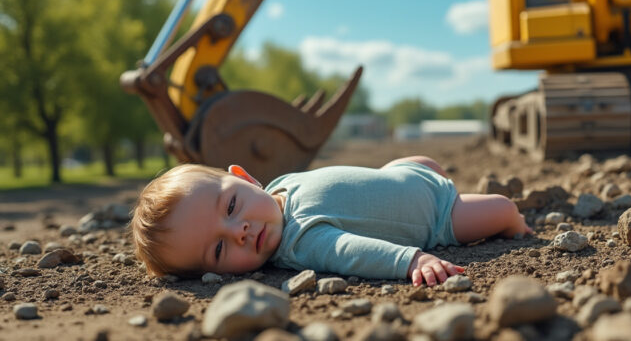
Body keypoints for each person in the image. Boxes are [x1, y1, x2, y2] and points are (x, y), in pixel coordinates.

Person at [131, 156, 532, 287]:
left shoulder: (278, 188)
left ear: (245, 178)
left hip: (401, 173)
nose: (239, 232)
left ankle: (419, 167)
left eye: (231, 207)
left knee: (416, 163)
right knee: (498, 208)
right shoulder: (301, 240)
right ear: (211, 274)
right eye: (218, 249)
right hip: (439, 214)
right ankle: (517, 223)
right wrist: (412, 261)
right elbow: (350, 252)